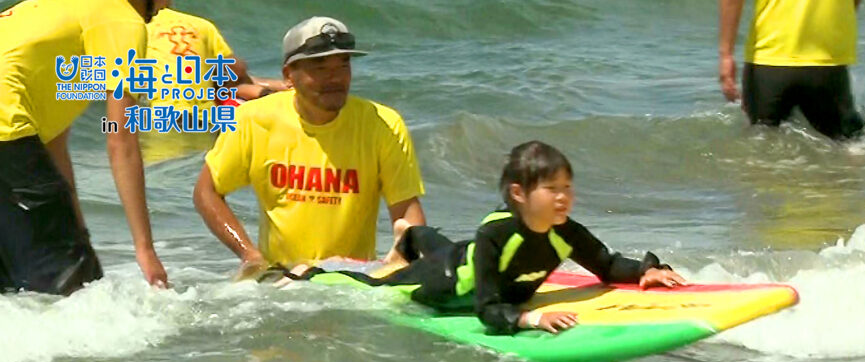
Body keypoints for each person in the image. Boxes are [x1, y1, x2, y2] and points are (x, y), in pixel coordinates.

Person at [293, 141, 686, 335]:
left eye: (567, 187)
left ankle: (410, 237)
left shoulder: (564, 231)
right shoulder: (496, 233)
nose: (564, 197)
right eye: (552, 189)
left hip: (467, 255)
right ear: (519, 194)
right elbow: (487, 309)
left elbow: (604, 263)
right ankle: (303, 273)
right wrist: (532, 318)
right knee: (374, 286)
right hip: (445, 283)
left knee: (454, 249)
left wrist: (642, 273)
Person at [193, 16, 426, 278]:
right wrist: (249, 254)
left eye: (343, 65)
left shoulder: (383, 124)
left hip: (351, 280)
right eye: (320, 66)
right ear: (288, 75)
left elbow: (407, 213)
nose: (335, 78)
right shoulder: (253, 120)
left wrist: (406, 263)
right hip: (282, 280)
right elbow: (207, 191)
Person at [0, 0, 167, 295]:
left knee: (13, 290)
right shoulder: (122, 20)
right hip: (6, 127)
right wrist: (145, 249)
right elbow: (121, 139)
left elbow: (54, 145)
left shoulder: (64, 12)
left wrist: (78, 231)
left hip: (11, 134)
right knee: (71, 285)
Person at [718, 0, 864, 140]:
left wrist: (726, 55)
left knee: (761, 145)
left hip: (769, 62)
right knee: (848, 145)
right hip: (827, 62)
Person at [146, 2, 288, 112]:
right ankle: (280, 90)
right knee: (225, 79)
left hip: (159, 116)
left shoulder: (137, 26)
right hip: (203, 116)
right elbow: (237, 70)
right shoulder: (201, 25)